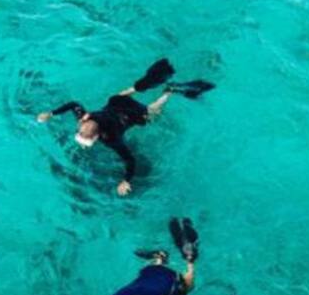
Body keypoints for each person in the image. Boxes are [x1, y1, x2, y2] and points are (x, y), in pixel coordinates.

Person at [37, 59, 214, 196]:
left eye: (86, 142)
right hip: (116, 103)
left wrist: (125, 181)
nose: (83, 145)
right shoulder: (85, 117)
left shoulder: (112, 140)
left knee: (153, 112)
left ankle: (169, 91)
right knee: (120, 96)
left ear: (98, 136)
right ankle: (140, 85)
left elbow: (130, 160)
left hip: (131, 115)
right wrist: (50, 114)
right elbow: (73, 104)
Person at [101, 217, 198, 295]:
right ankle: (160, 258)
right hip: (150, 270)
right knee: (148, 277)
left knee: (185, 292)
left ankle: (190, 263)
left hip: (173, 281)